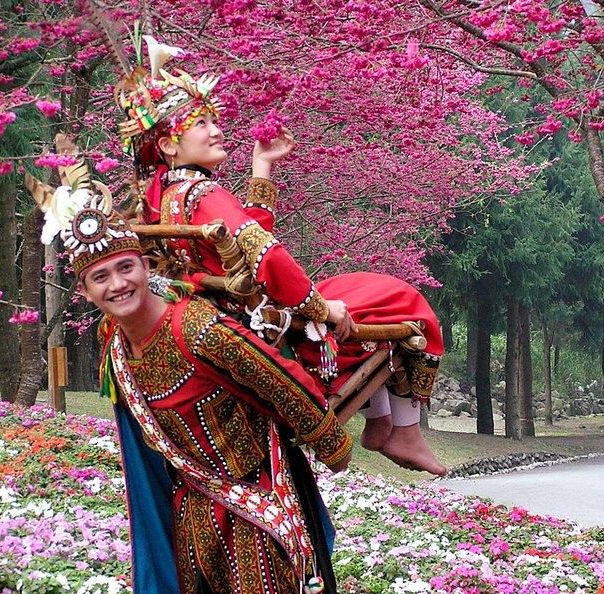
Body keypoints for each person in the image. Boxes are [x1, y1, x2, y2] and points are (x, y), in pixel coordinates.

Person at [30, 165, 347, 594]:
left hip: (259, 491)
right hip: (194, 503)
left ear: (146, 266)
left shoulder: (195, 324)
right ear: (87, 290)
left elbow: (274, 376)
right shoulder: (116, 348)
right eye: (101, 277)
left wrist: (328, 440)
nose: (118, 283)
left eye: (126, 267)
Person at [115, 36, 445, 475]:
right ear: (170, 145)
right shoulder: (203, 192)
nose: (216, 129)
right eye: (200, 123)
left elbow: (242, 247)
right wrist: (321, 308)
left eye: (214, 119)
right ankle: (404, 430)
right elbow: (266, 257)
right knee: (400, 296)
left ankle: (381, 421)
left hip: (237, 306)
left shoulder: (160, 194)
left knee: (361, 287)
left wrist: (261, 170)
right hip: (270, 317)